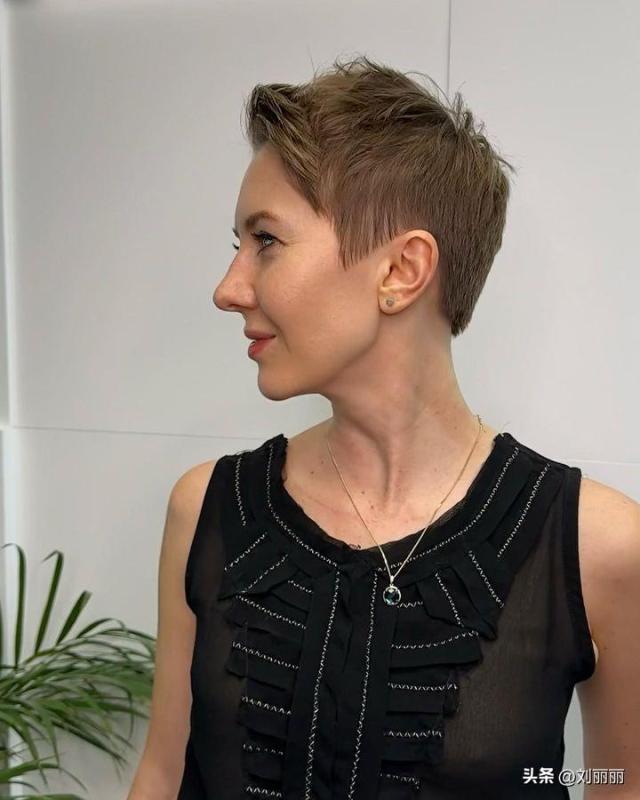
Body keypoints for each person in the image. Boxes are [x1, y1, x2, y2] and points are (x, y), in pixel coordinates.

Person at [127, 56, 640, 800]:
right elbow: (163, 772)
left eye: (266, 240)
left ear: (402, 271)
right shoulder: (205, 508)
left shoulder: (600, 545)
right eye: (237, 246)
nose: (228, 288)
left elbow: (619, 779)